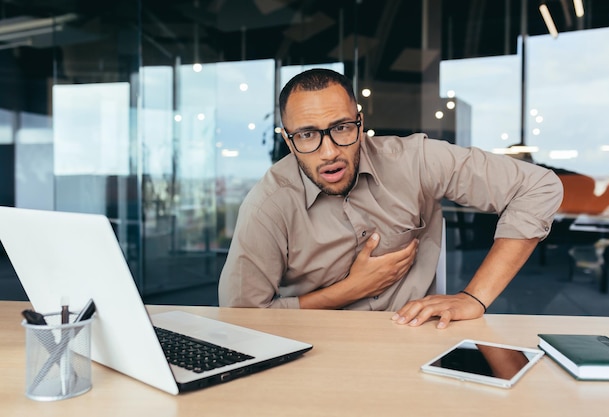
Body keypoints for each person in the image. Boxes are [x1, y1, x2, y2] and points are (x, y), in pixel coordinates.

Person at [218, 68, 563, 329]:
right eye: (307, 135)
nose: (328, 153)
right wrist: (349, 290)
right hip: (312, 348)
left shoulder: (416, 160)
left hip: (414, 341)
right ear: (289, 141)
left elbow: (538, 187)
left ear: (360, 123)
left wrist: (474, 297)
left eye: (341, 128)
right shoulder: (269, 204)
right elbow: (241, 316)